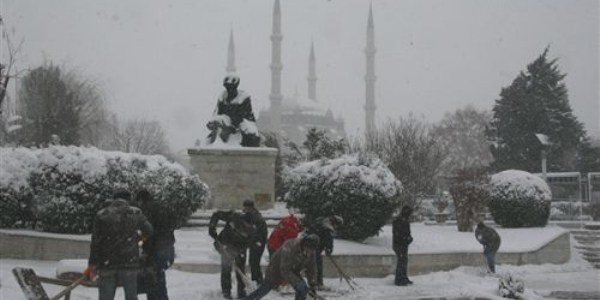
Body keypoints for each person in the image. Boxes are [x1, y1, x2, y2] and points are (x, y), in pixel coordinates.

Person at [84, 190, 153, 300]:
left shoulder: (102, 214)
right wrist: (136, 239)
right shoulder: (135, 213)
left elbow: (96, 242)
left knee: (105, 297)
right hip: (129, 262)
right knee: (131, 297)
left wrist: (92, 264)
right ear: (128, 200)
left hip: (107, 263)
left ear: (114, 199)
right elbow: (149, 230)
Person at [242, 234, 320, 300]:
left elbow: (312, 269)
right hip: (275, 271)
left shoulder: (311, 252)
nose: (311, 252)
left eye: (313, 250)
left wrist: (312, 285)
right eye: (310, 249)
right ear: (305, 244)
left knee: (302, 290)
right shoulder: (290, 246)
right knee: (263, 290)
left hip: (293, 272)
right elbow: (285, 269)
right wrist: (297, 282)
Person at [135, 189, 177, 300]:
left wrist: (146, 251)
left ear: (141, 200)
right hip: (167, 248)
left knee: (152, 280)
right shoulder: (163, 207)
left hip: (155, 250)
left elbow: (150, 233)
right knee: (160, 278)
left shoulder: (147, 210)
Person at [209, 210, 257, 299]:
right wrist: (212, 227)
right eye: (246, 224)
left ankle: (241, 292)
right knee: (226, 268)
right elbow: (216, 215)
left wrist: (237, 253)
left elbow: (247, 244)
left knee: (240, 269)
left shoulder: (252, 231)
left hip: (240, 248)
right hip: (224, 243)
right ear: (243, 220)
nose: (247, 226)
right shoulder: (233, 216)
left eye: (249, 225)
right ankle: (226, 292)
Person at [206, 74, 260, 147]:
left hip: (243, 122)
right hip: (225, 122)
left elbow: (245, 116)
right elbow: (217, 113)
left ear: (236, 87)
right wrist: (213, 122)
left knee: (251, 137)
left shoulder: (243, 98)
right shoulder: (222, 97)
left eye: (231, 88)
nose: (229, 90)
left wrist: (233, 125)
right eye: (227, 88)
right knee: (212, 135)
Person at [303, 214, 343, 289]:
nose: (337, 227)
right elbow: (328, 240)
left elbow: (321, 236)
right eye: (338, 225)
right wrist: (329, 249)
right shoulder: (328, 227)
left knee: (311, 265)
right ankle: (319, 284)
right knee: (318, 265)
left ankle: (313, 283)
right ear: (335, 223)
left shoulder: (322, 222)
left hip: (307, 243)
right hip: (313, 246)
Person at [242, 199, 268, 285]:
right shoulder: (250, 215)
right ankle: (256, 280)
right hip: (255, 242)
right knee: (253, 262)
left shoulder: (257, 217)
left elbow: (259, 232)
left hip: (258, 242)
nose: (244, 209)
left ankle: (259, 281)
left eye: (245, 207)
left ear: (250, 207)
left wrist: (256, 242)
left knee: (254, 262)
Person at [392, 205, 413, 286]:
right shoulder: (398, 221)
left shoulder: (405, 221)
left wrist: (409, 238)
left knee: (404, 261)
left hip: (404, 244)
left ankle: (404, 277)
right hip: (399, 244)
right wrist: (406, 239)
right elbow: (398, 234)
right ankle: (398, 279)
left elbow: (407, 232)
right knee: (401, 261)